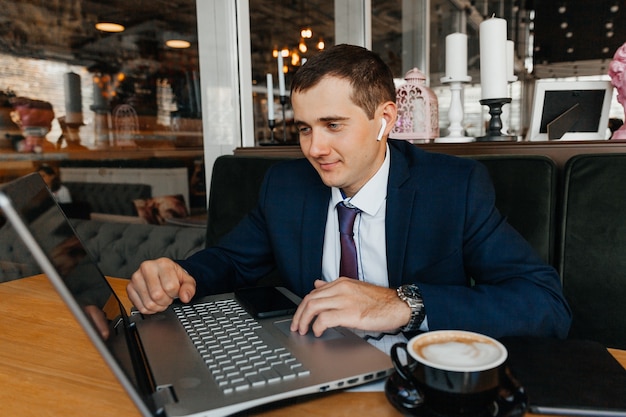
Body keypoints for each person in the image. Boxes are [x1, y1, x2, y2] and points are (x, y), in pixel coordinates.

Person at [127, 44, 571, 340]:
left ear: (385, 119)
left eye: (333, 125)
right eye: (304, 128)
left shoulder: (454, 188)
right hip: (311, 366)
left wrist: (405, 304)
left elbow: (546, 305)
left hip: (414, 376)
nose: (315, 149)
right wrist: (179, 274)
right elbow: (229, 261)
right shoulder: (285, 186)